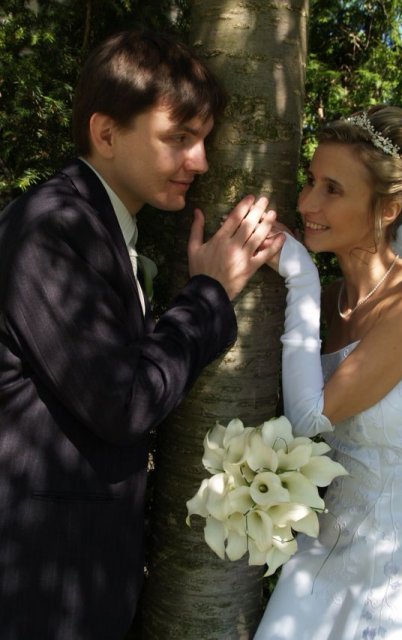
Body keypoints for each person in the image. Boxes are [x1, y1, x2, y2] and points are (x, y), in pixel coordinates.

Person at [0, 30, 284, 640]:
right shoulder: (52, 229)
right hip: (38, 591)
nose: (200, 162)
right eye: (178, 138)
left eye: (204, 140)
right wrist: (209, 293)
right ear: (106, 134)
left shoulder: (98, 225)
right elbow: (123, 400)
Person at [254, 105, 402, 639]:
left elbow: (311, 417)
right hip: (324, 559)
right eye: (311, 181)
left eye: (332, 189)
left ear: (387, 210)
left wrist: (300, 278)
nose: (307, 203)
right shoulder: (332, 302)